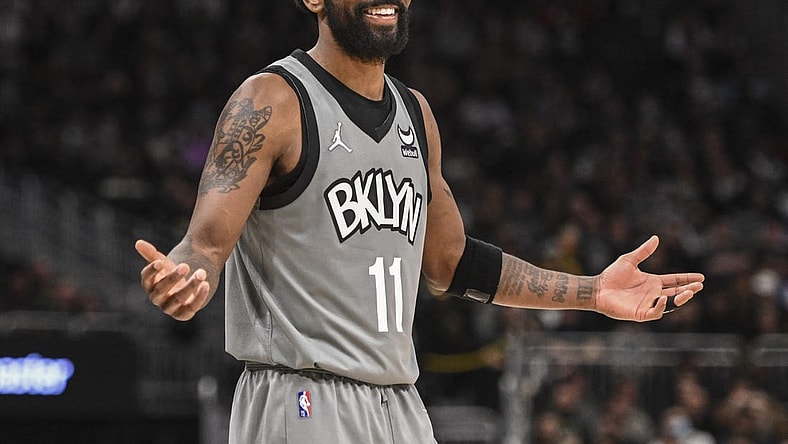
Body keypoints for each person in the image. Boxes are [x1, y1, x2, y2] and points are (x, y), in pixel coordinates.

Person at [135, 1, 705, 442]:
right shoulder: (271, 100)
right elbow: (205, 242)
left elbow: (452, 264)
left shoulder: (416, 114)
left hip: (397, 398)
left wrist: (593, 292)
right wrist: (184, 276)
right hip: (301, 393)